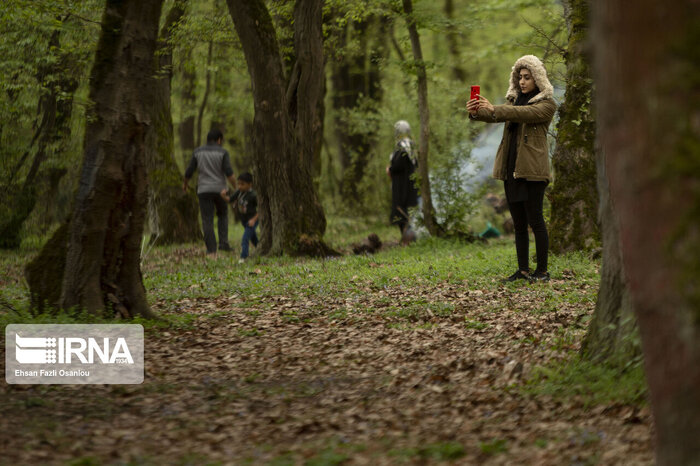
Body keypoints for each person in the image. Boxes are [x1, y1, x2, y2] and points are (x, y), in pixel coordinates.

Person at [466, 55, 557, 282]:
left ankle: (542, 272)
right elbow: (499, 114)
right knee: (518, 224)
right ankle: (523, 270)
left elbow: (520, 113)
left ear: (538, 78)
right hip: (511, 169)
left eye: (527, 77)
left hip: (533, 171)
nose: (522, 81)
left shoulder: (546, 105)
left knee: (535, 221)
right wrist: (477, 111)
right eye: (519, 77)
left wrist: (495, 108)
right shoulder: (514, 102)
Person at [183, 128, 236, 256]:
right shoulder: (223, 152)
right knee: (222, 215)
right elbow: (229, 172)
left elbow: (189, 171)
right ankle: (223, 243)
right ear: (219, 140)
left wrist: (185, 185)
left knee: (207, 219)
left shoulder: (197, 152)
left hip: (203, 190)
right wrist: (236, 187)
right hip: (220, 190)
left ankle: (211, 249)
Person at [386, 120, 419, 243]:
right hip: (410, 185)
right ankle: (408, 237)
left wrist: (390, 169)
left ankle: (408, 238)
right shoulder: (412, 146)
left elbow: (398, 165)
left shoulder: (403, 147)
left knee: (403, 210)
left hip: (403, 187)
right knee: (408, 210)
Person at [220, 172, 258, 262]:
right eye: (239, 184)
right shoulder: (239, 192)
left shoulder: (253, 195)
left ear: (249, 184)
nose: (240, 186)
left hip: (252, 221)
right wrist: (223, 196)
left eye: (242, 184)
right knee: (253, 238)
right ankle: (260, 249)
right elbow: (229, 199)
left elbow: (261, 209)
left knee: (245, 238)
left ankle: (243, 257)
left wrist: (253, 220)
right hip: (244, 220)